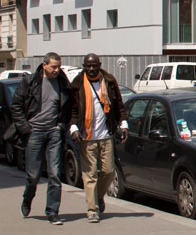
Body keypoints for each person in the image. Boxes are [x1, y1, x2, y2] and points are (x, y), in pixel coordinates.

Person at [11, 52, 72, 225]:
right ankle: (27, 198)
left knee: (55, 174)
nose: (57, 70)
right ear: (44, 65)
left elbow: (68, 106)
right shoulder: (30, 81)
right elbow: (16, 106)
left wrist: (61, 126)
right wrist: (26, 128)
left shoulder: (61, 82)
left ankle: (52, 212)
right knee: (34, 175)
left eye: (59, 66)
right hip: (34, 132)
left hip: (54, 131)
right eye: (53, 67)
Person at [69, 54, 128, 223]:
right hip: (86, 137)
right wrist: (73, 128)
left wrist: (123, 124)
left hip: (106, 135)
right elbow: (72, 110)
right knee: (90, 175)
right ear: (84, 66)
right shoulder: (77, 85)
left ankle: (98, 196)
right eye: (88, 66)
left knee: (108, 172)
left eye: (94, 65)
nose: (91, 69)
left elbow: (118, 106)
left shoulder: (109, 82)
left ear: (99, 65)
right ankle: (92, 209)